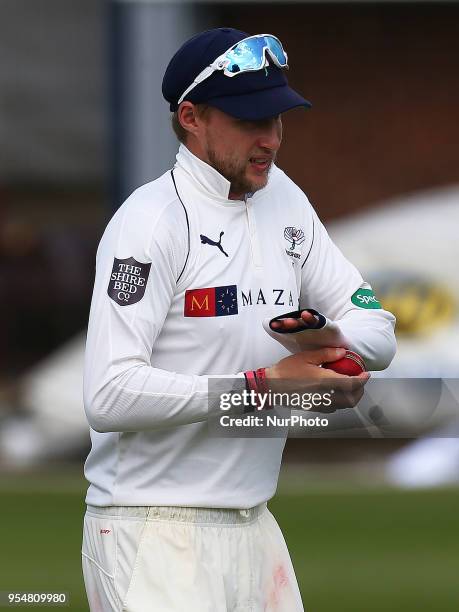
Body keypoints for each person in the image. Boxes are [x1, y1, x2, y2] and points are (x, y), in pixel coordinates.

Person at [82, 28, 396, 611]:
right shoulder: (150, 223)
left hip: (255, 526)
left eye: (278, 119)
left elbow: (378, 325)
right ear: (191, 117)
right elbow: (108, 394)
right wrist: (264, 387)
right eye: (251, 120)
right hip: (152, 531)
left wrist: (331, 352)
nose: (271, 140)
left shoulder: (285, 199)